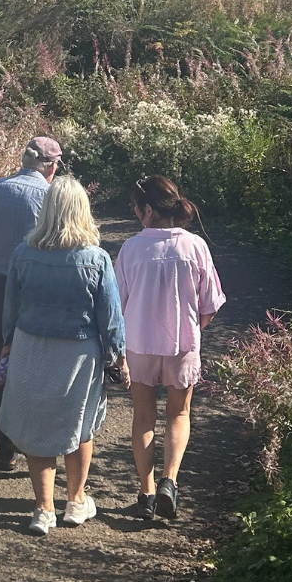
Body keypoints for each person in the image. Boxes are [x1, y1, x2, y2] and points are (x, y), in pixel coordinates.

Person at [0, 177, 126, 535]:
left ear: (47, 210)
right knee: (79, 425)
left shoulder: (23, 253)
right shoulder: (96, 258)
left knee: (37, 426)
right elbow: (110, 316)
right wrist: (117, 356)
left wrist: (7, 343)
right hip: (79, 353)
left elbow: (11, 308)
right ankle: (76, 501)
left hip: (30, 347)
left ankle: (43, 510)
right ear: (82, 211)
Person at [115, 176, 225, 521]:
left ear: (147, 210)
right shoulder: (195, 247)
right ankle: (169, 481)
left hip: (139, 344)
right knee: (179, 413)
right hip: (182, 344)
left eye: (135, 207)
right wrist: (191, 326)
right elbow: (210, 304)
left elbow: (118, 303)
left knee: (143, 418)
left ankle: (146, 493)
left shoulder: (131, 248)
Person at [0, 137, 62, 472]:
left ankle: (5, 452)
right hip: (36, 288)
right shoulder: (50, 196)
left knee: (0, 365)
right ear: (50, 165)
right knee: (41, 364)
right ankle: (39, 449)